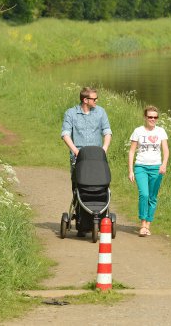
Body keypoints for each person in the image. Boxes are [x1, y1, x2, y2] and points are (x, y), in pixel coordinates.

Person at [61, 86, 112, 237]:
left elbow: (107, 131)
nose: (96, 101)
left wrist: (104, 148)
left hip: (97, 158)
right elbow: (65, 134)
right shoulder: (71, 113)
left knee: (100, 185)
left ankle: (101, 216)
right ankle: (82, 221)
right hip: (79, 157)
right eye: (94, 99)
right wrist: (75, 150)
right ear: (85, 100)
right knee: (79, 186)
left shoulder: (100, 112)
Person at [128, 105, 169, 237]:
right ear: (145, 117)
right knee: (144, 194)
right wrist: (131, 170)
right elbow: (132, 151)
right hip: (141, 166)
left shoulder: (161, 131)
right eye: (150, 117)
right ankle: (142, 223)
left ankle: (148, 225)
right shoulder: (138, 131)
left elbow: (166, 150)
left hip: (156, 168)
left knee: (152, 197)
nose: (152, 119)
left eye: (155, 117)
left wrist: (164, 164)